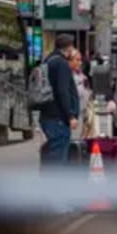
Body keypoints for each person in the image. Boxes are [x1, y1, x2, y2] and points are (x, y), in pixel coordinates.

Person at [37, 34, 80, 167]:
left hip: (47, 115)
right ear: (69, 48)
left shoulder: (48, 60)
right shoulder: (61, 63)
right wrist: (70, 115)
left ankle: (48, 184)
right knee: (58, 157)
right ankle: (55, 185)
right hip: (58, 118)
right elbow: (63, 91)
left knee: (52, 155)